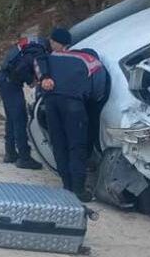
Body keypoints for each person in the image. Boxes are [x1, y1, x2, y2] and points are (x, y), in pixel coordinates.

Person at [37, 27, 107, 202]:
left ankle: (67, 185)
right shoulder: (89, 60)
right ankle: (79, 189)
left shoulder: (48, 59)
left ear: (57, 42)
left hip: (51, 104)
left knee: (58, 144)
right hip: (74, 105)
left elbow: (40, 80)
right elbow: (99, 87)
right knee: (77, 146)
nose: (50, 43)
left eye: (52, 41)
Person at [0, 35, 47, 170]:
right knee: (20, 118)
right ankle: (24, 157)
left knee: (12, 118)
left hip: (4, 79)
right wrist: (31, 80)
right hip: (10, 83)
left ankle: (10, 153)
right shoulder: (38, 52)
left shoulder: (32, 46)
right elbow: (21, 68)